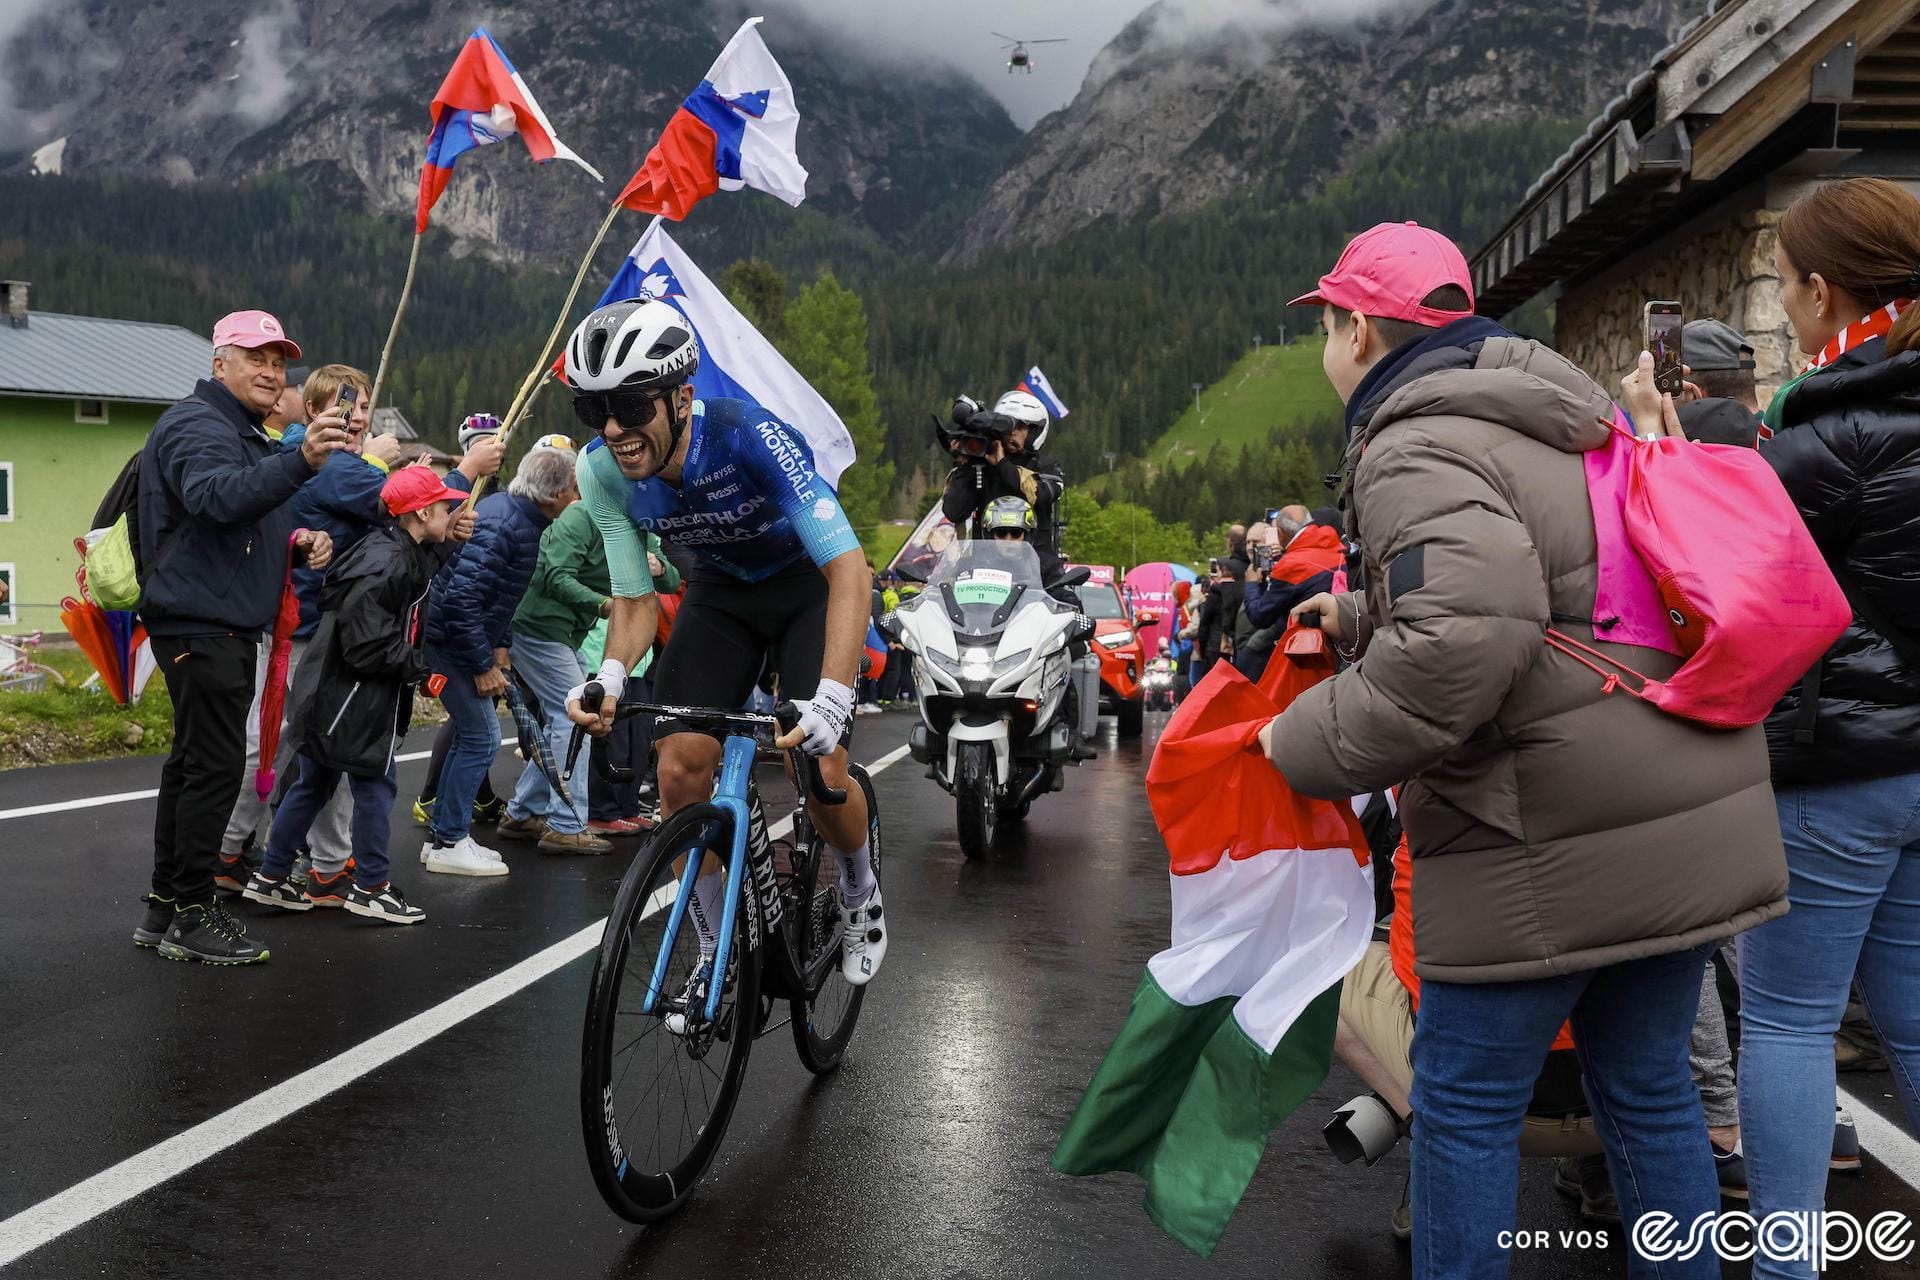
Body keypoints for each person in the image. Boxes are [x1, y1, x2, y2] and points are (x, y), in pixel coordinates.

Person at [1261, 221, 1788, 1277]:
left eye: (1327, 322)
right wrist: (1362, 612)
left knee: (1462, 1104)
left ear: (1362, 330)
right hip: (1671, 798)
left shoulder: (1414, 440)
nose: (1324, 343)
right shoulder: (1559, 411)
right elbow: (1553, 596)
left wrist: (1298, 737)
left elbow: (1465, 638)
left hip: (1541, 827)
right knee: (1646, 1091)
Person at [562, 298, 888, 1000]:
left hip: (807, 586)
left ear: (682, 397)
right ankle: (715, 942)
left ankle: (860, 886)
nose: (615, 429)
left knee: (821, 768)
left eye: (629, 405)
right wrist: (610, 674)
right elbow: (635, 599)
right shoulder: (602, 473)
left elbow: (848, 570)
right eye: (596, 411)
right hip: (724, 593)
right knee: (678, 768)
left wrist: (833, 692)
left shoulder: (751, 437)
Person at [1729, 177, 1920, 1280]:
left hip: (1840, 766)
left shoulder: (1821, 430)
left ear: (1816, 287)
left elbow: (1734, 594)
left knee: (1792, 1020)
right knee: (1914, 1012)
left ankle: (1786, 1264)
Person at [131, 310, 348, 965]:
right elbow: (217, 498)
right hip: (204, 620)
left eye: (279, 361)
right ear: (219, 363)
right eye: (256, 357)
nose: (272, 371)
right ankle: (194, 914)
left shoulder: (239, 432)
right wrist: (303, 460)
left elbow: (233, 522)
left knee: (194, 764)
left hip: (211, 614)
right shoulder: (201, 425)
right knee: (215, 768)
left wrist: (296, 539)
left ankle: (166, 907)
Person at [242, 466, 468, 924]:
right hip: (357, 698)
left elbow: (416, 574)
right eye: (446, 506)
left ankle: (270, 875)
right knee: (375, 787)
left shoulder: (391, 546)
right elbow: (368, 642)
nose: (454, 511)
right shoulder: (388, 560)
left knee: (314, 783)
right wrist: (419, 668)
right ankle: (371, 886)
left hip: (334, 692)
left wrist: (450, 541)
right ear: (422, 512)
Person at [216, 364, 405, 901]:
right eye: (346, 407)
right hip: (303, 631)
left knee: (324, 751)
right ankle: (228, 850)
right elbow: (401, 504)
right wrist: (460, 473)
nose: (358, 417)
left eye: (365, 406)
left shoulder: (328, 459)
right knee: (276, 745)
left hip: (323, 629)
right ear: (316, 411)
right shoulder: (334, 466)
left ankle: (322, 863)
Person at [505, 442, 680, 844]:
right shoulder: (581, 516)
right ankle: (567, 825)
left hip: (566, 631)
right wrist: (602, 605)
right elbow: (556, 576)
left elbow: (670, 580)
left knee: (560, 721)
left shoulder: (642, 524)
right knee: (576, 715)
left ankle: (523, 811)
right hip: (538, 626)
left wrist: (658, 566)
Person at [423, 441, 587, 867]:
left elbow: (500, 596)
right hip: (449, 641)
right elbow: (461, 599)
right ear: (556, 493)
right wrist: (481, 665)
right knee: (482, 737)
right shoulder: (505, 524)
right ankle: (450, 842)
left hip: (463, 639)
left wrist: (501, 647)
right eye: (576, 488)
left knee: (470, 736)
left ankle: (443, 836)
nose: (579, 497)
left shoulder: (517, 518)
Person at [941, 390, 1066, 576]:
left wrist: (1002, 465)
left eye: (1020, 427)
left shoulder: (1046, 467)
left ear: (1034, 432)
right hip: (985, 569)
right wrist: (965, 464)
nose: (1012, 432)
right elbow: (953, 511)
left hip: (1037, 572)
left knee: (1066, 600)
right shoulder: (982, 465)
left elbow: (1043, 494)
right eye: (1007, 425)